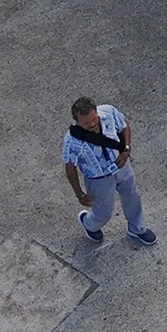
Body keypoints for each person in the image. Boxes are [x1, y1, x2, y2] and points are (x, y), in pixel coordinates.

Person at [61, 96, 155, 245]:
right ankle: (89, 224)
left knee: (132, 197)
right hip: (98, 179)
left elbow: (124, 126)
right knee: (103, 213)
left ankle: (137, 228)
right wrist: (79, 194)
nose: (92, 124)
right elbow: (70, 167)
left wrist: (126, 150)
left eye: (94, 119)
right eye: (86, 123)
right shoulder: (71, 142)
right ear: (77, 121)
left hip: (121, 166)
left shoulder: (108, 112)